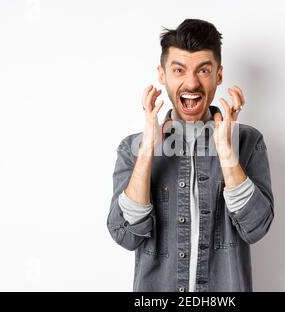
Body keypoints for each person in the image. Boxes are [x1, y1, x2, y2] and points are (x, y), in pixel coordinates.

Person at [107, 18, 274, 292]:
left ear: (219, 75)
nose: (192, 82)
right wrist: (148, 148)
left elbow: (256, 228)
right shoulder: (132, 148)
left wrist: (226, 152)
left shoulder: (248, 142)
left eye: (203, 70)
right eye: (179, 69)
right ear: (162, 75)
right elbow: (125, 235)